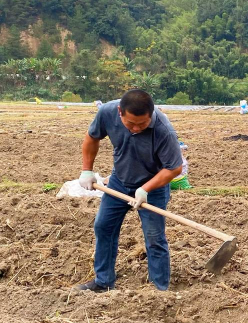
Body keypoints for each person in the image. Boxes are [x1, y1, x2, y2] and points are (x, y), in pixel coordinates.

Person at [74, 89, 183, 292]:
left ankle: (159, 289)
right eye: (130, 123)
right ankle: (103, 281)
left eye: (142, 124)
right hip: (119, 181)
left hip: (153, 187)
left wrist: (145, 189)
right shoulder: (106, 112)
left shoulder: (162, 129)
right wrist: (86, 170)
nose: (135, 128)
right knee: (103, 226)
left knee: (154, 237)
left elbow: (174, 168)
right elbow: (91, 137)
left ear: (151, 114)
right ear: (119, 112)